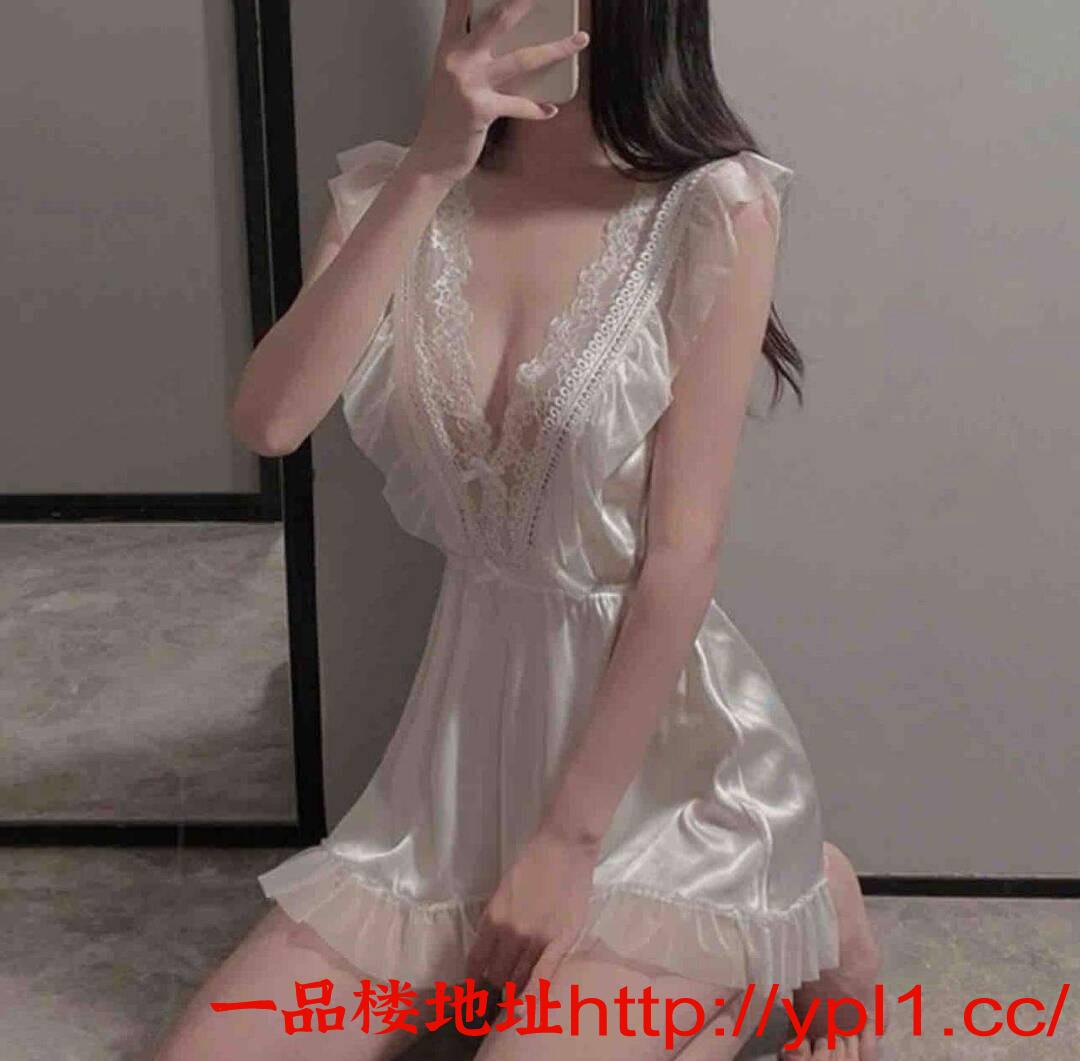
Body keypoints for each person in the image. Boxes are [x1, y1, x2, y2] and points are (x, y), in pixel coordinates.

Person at [156, 0, 886, 1058]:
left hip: (661, 800)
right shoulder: (385, 193)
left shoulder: (710, 211)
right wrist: (428, 167)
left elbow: (681, 557)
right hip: (443, 794)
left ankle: (798, 893)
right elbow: (269, 420)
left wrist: (567, 843)